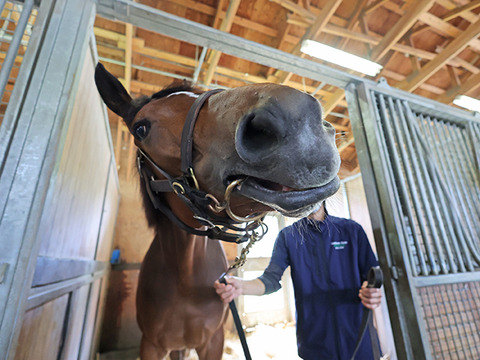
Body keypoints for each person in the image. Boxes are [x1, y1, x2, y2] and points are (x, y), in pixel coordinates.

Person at [214, 202, 383, 360]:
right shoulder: (288, 237)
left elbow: (371, 274)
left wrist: (372, 290)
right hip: (315, 341)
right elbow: (270, 280)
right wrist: (241, 286)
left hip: (358, 335)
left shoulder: (351, 230)